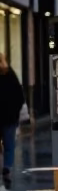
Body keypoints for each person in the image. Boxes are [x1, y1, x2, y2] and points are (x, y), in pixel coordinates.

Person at [0, 52, 25, 182]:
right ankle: (7, 168)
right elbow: (20, 96)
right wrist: (15, 111)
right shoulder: (10, 74)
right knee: (9, 145)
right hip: (9, 117)